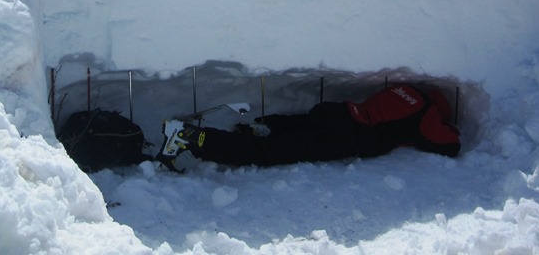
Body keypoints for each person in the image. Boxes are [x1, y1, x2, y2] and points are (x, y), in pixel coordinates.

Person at [157, 84, 460, 171]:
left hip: (338, 112)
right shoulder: (428, 114)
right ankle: (191, 137)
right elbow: (449, 145)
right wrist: (443, 125)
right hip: (346, 136)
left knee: (300, 125)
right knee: (266, 155)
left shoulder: (405, 90)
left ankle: (261, 127)